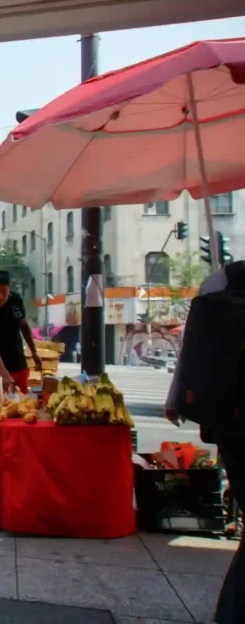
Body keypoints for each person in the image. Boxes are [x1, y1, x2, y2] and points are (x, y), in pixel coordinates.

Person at [165, 265, 243, 623]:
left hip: (226, 417)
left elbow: (192, 346)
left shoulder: (221, 279)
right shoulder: (222, 282)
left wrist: (178, 395)